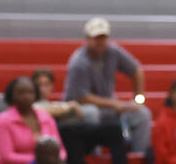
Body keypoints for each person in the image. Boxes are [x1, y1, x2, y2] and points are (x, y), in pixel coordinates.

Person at [62, 17, 152, 155]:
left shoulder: (113, 52)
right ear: (87, 39)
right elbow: (82, 98)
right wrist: (115, 104)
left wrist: (138, 98)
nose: (100, 41)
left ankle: (139, 157)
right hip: (79, 109)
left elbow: (136, 70)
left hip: (109, 107)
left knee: (142, 113)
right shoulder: (78, 62)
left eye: (103, 37)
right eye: (96, 38)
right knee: (91, 113)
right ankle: (92, 156)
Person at [31, 69, 128, 164]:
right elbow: (40, 109)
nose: (42, 88)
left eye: (46, 84)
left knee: (113, 129)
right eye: (39, 84)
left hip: (75, 141)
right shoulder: (28, 106)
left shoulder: (57, 104)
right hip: (54, 144)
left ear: (52, 86)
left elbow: (78, 114)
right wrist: (69, 106)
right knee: (67, 130)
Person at [0, 78, 67, 164]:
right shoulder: (4, 120)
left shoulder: (46, 117)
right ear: (11, 95)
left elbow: (60, 149)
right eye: (21, 92)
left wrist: (58, 159)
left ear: (36, 94)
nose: (26, 96)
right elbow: (7, 157)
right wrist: (40, 161)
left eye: (30, 92)